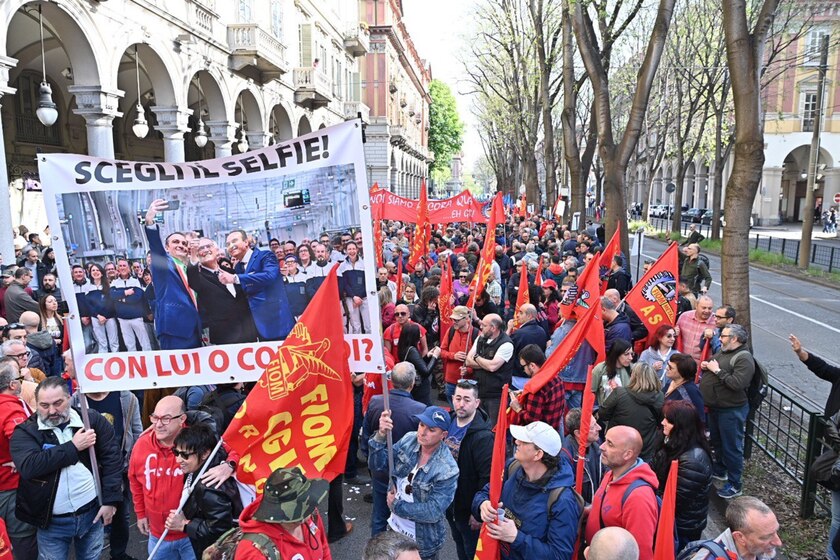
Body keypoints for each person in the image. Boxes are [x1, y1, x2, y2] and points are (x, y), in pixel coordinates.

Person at [10, 376, 122, 560]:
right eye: (44, 406)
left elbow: (112, 459)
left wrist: (110, 500)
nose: (52, 411)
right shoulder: (25, 431)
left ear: (69, 398)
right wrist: (73, 447)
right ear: (36, 404)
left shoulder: (91, 420)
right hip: (51, 523)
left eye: (58, 403)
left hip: (91, 514)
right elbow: (29, 466)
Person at [129, 395, 235, 559]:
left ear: (182, 419)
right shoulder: (141, 444)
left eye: (166, 419)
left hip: (191, 537)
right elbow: (135, 480)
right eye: (155, 417)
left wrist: (229, 465)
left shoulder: (197, 440)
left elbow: (233, 449)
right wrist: (140, 513)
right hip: (158, 535)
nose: (158, 424)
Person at [474, 421, 582, 560]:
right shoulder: (513, 468)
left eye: (524, 441)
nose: (516, 442)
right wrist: (482, 504)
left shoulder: (562, 500)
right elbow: (484, 493)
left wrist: (516, 538)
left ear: (538, 454)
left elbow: (559, 555)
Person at [368, 406, 459, 560]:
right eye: (421, 425)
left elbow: (433, 511)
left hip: (422, 542)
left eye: (431, 429)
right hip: (395, 530)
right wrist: (381, 435)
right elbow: (378, 464)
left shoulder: (447, 469)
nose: (422, 432)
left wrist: (396, 506)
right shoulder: (410, 439)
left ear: (443, 435)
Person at [70, 386, 142, 560]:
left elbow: (137, 431)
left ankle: (118, 554)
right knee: (88, 516)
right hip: (87, 471)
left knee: (121, 515)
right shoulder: (75, 400)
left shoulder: (127, 398)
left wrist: (132, 461)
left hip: (118, 469)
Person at [790, 334, 840, 559]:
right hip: (836, 455)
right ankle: (832, 554)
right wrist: (802, 353)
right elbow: (823, 368)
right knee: (838, 517)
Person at [362, 362, 426, 536]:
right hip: (405, 477)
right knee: (405, 525)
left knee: (379, 518)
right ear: (412, 383)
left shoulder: (375, 402)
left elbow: (366, 438)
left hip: (380, 472)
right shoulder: (420, 410)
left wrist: (371, 463)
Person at [165, 423, 243, 559]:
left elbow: (220, 530)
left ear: (205, 453)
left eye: (185, 455)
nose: (178, 460)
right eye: (176, 452)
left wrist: (185, 525)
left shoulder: (208, 487)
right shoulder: (209, 462)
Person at [584, 426, 659, 560]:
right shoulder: (611, 474)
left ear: (628, 454)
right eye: (605, 440)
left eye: (610, 444)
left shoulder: (639, 498)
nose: (601, 446)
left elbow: (640, 552)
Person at [699, 324, 754, 500]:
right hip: (717, 407)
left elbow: (737, 383)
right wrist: (709, 366)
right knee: (718, 441)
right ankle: (720, 470)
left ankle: (735, 483)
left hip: (731, 410)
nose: (720, 339)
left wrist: (717, 371)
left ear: (734, 339)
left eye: (723, 336)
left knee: (731, 447)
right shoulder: (725, 351)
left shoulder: (744, 358)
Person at [651, 400, 712, 551]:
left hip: (681, 528)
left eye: (668, 420)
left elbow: (674, 501)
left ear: (680, 426)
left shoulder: (693, 461)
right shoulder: (671, 442)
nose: (662, 422)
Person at [236, 466, 332, 559]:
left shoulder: (309, 511)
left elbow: (324, 547)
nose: (303, 519)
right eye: (295, 514)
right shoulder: (253, 552)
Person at [144, 199, 203, 349]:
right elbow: (155, 246)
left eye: (184, 243)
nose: (181, 245)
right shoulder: (164, 263)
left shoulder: (188, 266)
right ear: (167, 247)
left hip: (194, 328)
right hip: (174, 328)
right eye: (176, 242)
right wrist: (150, 220)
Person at [445, 380, 493, 560]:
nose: (461, 404)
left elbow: (486, 477)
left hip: (468, 506)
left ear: (477, 403)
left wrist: (477, 513)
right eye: (458, 398)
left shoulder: (483, 437)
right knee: (457, 540)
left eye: (467, 399)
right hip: (449, 502)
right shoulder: (448, 420)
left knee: (471, 549)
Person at [221, 228, 294, 341]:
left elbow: (269, 276)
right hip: (256, 327)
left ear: (246, 242)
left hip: (277, 322)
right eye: (228, 244)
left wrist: (236, 278)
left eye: (235, 241)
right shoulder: (239, 267)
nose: (231, 245)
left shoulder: (265, 256)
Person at [186, 238, 258, 345]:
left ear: (216, 250)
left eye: (209, 246)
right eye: (201, 248)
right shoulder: (199, 278)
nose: (206, 250)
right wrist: (193, 256)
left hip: (249, 333)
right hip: (225, 339)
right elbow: (192, 279)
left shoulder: (233, 272)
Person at [0, 361, 37, 560]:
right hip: (11, 487)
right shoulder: (10, 410)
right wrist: (21, 460)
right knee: (22, 541)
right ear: (13, 385)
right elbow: (23, 445)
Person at [598, 362, 664, 462]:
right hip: (645, 452)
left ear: (633, 376)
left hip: (618, 451)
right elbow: (661, 423)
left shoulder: (619, 393)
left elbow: (602, 414)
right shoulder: (660, 397)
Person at [685, 497, 782, 560]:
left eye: (775, 531)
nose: (778, 542)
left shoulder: (761, 549)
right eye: (766, 537)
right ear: (739, 537)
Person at [465, 313, 515, 423]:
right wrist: (485, 364)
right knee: (478, 424)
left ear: (493, 328)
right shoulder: (480, 338)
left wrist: (477, 357)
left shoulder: (506, 344)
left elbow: (492, 367)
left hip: (496, 396)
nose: (481, 327)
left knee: (493, 428)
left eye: (484, 325)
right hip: (479, 391)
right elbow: (468, 361)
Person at [511, 344, 566, 433]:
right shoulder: (556, 377)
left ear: (532, 365)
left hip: (536, 439)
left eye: (523, 367)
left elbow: (532, 421)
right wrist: (524, 392)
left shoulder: (535, 388)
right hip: (553, 432)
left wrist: (517, 408)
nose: (523, 370)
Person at [561, 408, 603, 503]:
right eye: (593, 427)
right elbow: (569, 492)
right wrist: (586, 507)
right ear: (578, 433)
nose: (599, 428)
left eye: (596, 423)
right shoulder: (565, 457)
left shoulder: (597, 442)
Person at [111, 258, 152, 351]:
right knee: (130, 345)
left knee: (145, 344)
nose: (122, 268)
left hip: (136, 317)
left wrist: (121, 298)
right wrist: (126, 293)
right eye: (120, 266)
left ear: (129, 268)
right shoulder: (114, 283)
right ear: (117, 267)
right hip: (122, 319)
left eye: (124, 265)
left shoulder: (135, 281)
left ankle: (149, 362)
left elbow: (136, 298)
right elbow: (112, 296)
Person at [85, 263, 119, 353]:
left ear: (102, 272)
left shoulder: (109, 286)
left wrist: (105, 316)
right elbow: (88, 305)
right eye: (93, 270)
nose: (95, 272)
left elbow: (111, 303)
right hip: (96, 318)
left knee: (114, 343)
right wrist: (98, 316)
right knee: (102, 343)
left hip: (109, 317)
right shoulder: (88, 287)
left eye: (97, 270)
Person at [664, 353, 705, 424]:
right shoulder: (670, 382)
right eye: (668, 364)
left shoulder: (691, 391)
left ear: (682, 372)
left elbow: (699, 418)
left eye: (671, 367)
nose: (666, 368)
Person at [339, 241, 370, 334]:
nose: (352, 251)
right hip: (351, 299)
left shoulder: (364, 264)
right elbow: (345, 284)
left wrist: (359, 297)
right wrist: (353, 297)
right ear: (346, 251)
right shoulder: (342, 266)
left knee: (368, 325)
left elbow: (366, 282)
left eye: (353, 249)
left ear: (357, 250)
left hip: (364, 298)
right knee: (356, 326)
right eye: (349, 249)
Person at [591, 339, 633, 406]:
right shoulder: (600, 369)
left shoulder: (633, 369)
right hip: (605, 412)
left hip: (627, 412)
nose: (630, 358)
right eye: (626, 354)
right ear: (616, 354)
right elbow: (590, 393)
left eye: (631, 354)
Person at [509, 304, 548, 377]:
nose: (517, 315)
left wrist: (508, 330)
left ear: (529, 316)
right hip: (535, 374)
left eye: (521, 313)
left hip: (518, 375)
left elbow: (506, 349)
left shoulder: (519, 334)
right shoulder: (542, 331)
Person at [676, 295, 715, 362]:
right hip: (682, 361)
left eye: (710, 308)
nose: (707, 311)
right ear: (696, 306)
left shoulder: (716, 321)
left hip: (702, 365)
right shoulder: (684, 316)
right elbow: (676, 334)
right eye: (704, 308)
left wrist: (713, 334)